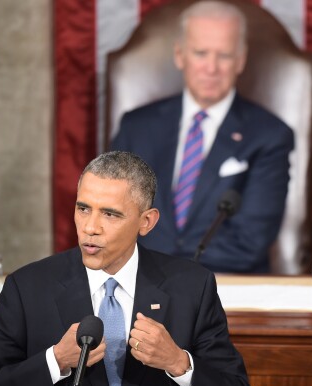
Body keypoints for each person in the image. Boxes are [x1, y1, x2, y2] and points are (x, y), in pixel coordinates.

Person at [0, 151, 254, 386]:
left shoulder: (191, 286)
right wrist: (55, 361)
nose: (90, 227)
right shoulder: (28, 287)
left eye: (110, 214)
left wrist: (178, 363)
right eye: (83, 208)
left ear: (146, 222)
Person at [111, 0, 294, 274]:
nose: (211, 68)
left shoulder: (270, 135)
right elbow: (111, 218)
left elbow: (249, 242)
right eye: (200, 53)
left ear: (241, 59)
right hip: (139, 285)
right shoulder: (136, 126)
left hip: (225, 289)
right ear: (179, 55)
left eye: (224, 55)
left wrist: (172, 274)